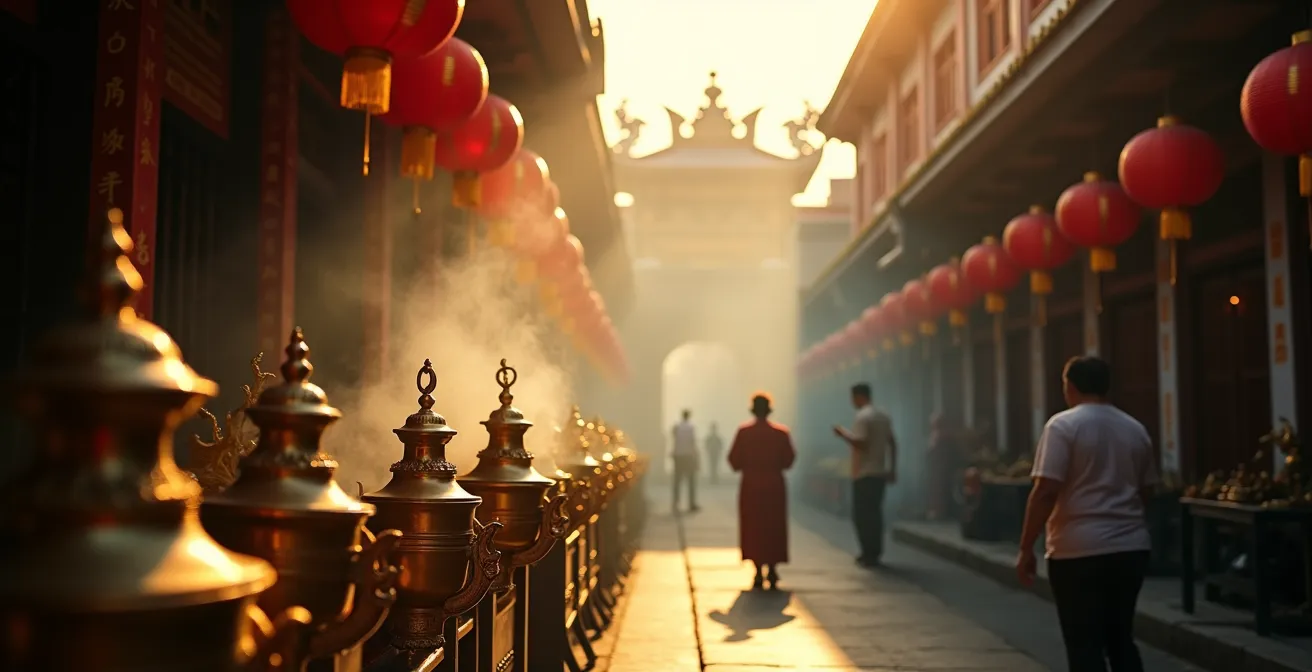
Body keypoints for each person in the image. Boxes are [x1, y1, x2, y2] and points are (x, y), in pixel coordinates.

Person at [1017, 356, 1157, 672]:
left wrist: (1026, 547)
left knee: (1084, 643)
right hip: (1130, 548)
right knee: (1120, 638)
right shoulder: (1135, 429)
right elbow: (1146, 491)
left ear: (1071, 386)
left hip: (1076, 550)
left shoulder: (1063, 425)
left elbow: (1046, 491)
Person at [728, 393, 796, 590]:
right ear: (769, 410)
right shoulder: (781, 433)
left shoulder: (744, 433)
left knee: (754, 526)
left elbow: (734, 461)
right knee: (773, 527)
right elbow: (789, 460)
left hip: (751, 485)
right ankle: (772, 569)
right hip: (774, 486)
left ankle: (757, 570)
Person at [833, 383, 896, 568]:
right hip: (880, 472)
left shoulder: (863, 417)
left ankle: (868, 552)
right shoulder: (883, 416)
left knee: (862, 515)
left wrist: (842, 434)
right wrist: (892, 468)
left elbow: (861, 444)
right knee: (875, 513)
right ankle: (875, 551)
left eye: (853, 398)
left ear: (858, 397)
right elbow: (893, 443)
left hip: (863, 473)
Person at [671, 409, 700, 513]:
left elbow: (674, 440)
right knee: (691, 481)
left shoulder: (676, 427)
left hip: (678, 456)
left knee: (677, 481)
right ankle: (691, 504)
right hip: (688, 456)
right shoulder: (691, 427)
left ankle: (675, 503)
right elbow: (693, 442)